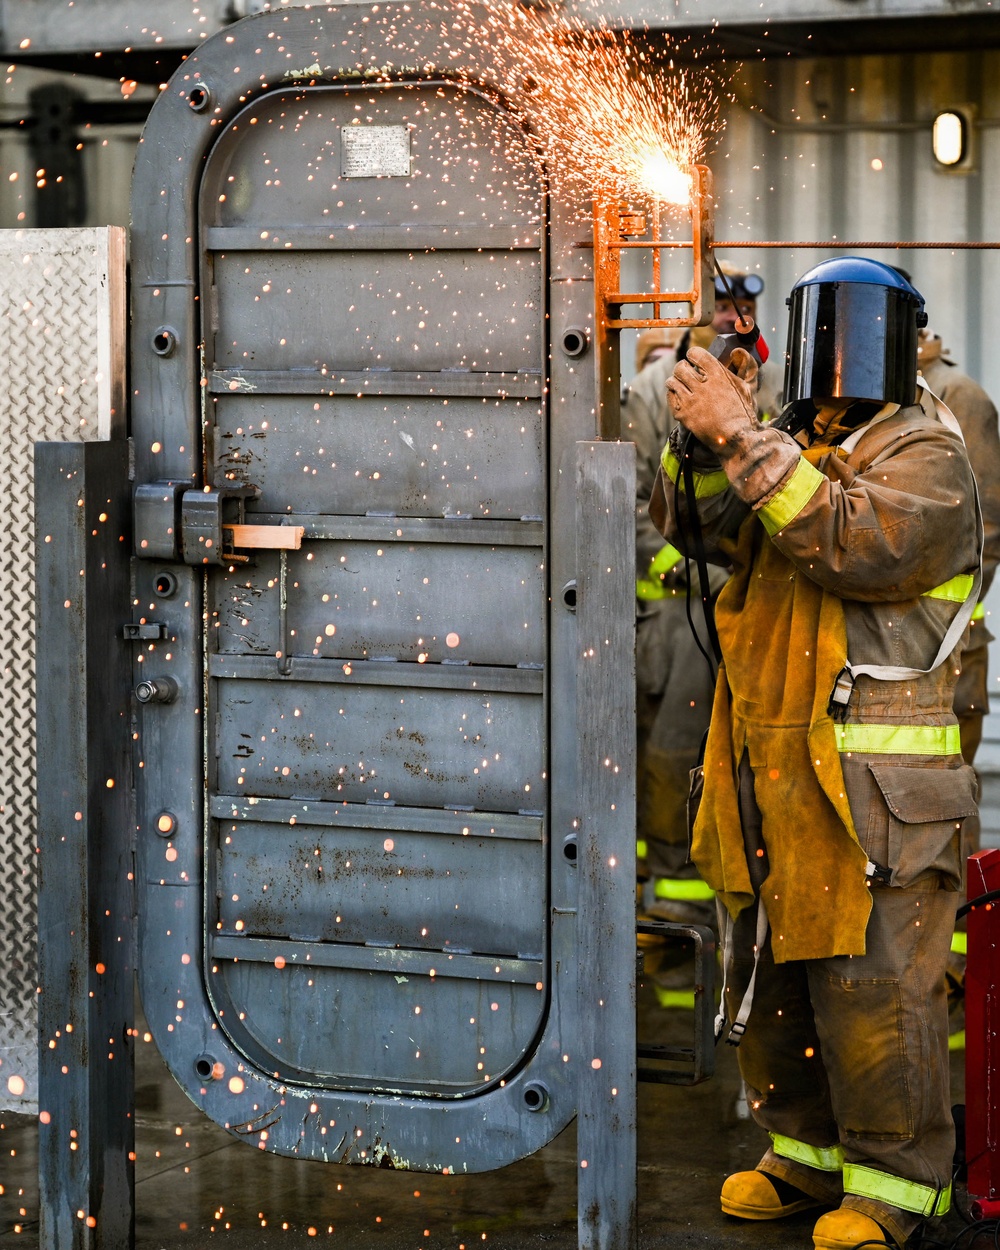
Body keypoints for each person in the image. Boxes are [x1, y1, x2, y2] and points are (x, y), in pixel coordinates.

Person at [651, 257, 980, 1250]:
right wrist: (709, 436)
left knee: (874, 982)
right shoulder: (792, 441)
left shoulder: (929, 455)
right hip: (775, 765)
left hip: (877, 785)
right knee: (776, 967)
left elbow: (848, 539)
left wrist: (743, 437)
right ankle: (803, 1150)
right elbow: (708, 526)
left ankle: (894, 1184)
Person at [626, 267, 776, 945]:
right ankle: (675, 933)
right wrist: (693, 561)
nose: (733, 315)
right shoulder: (658, 390)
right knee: (674, 762)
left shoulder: (772, 387)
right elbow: (625, 497)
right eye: (721, 303)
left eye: (743, 305)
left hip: (761, 617)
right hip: (681, 620)